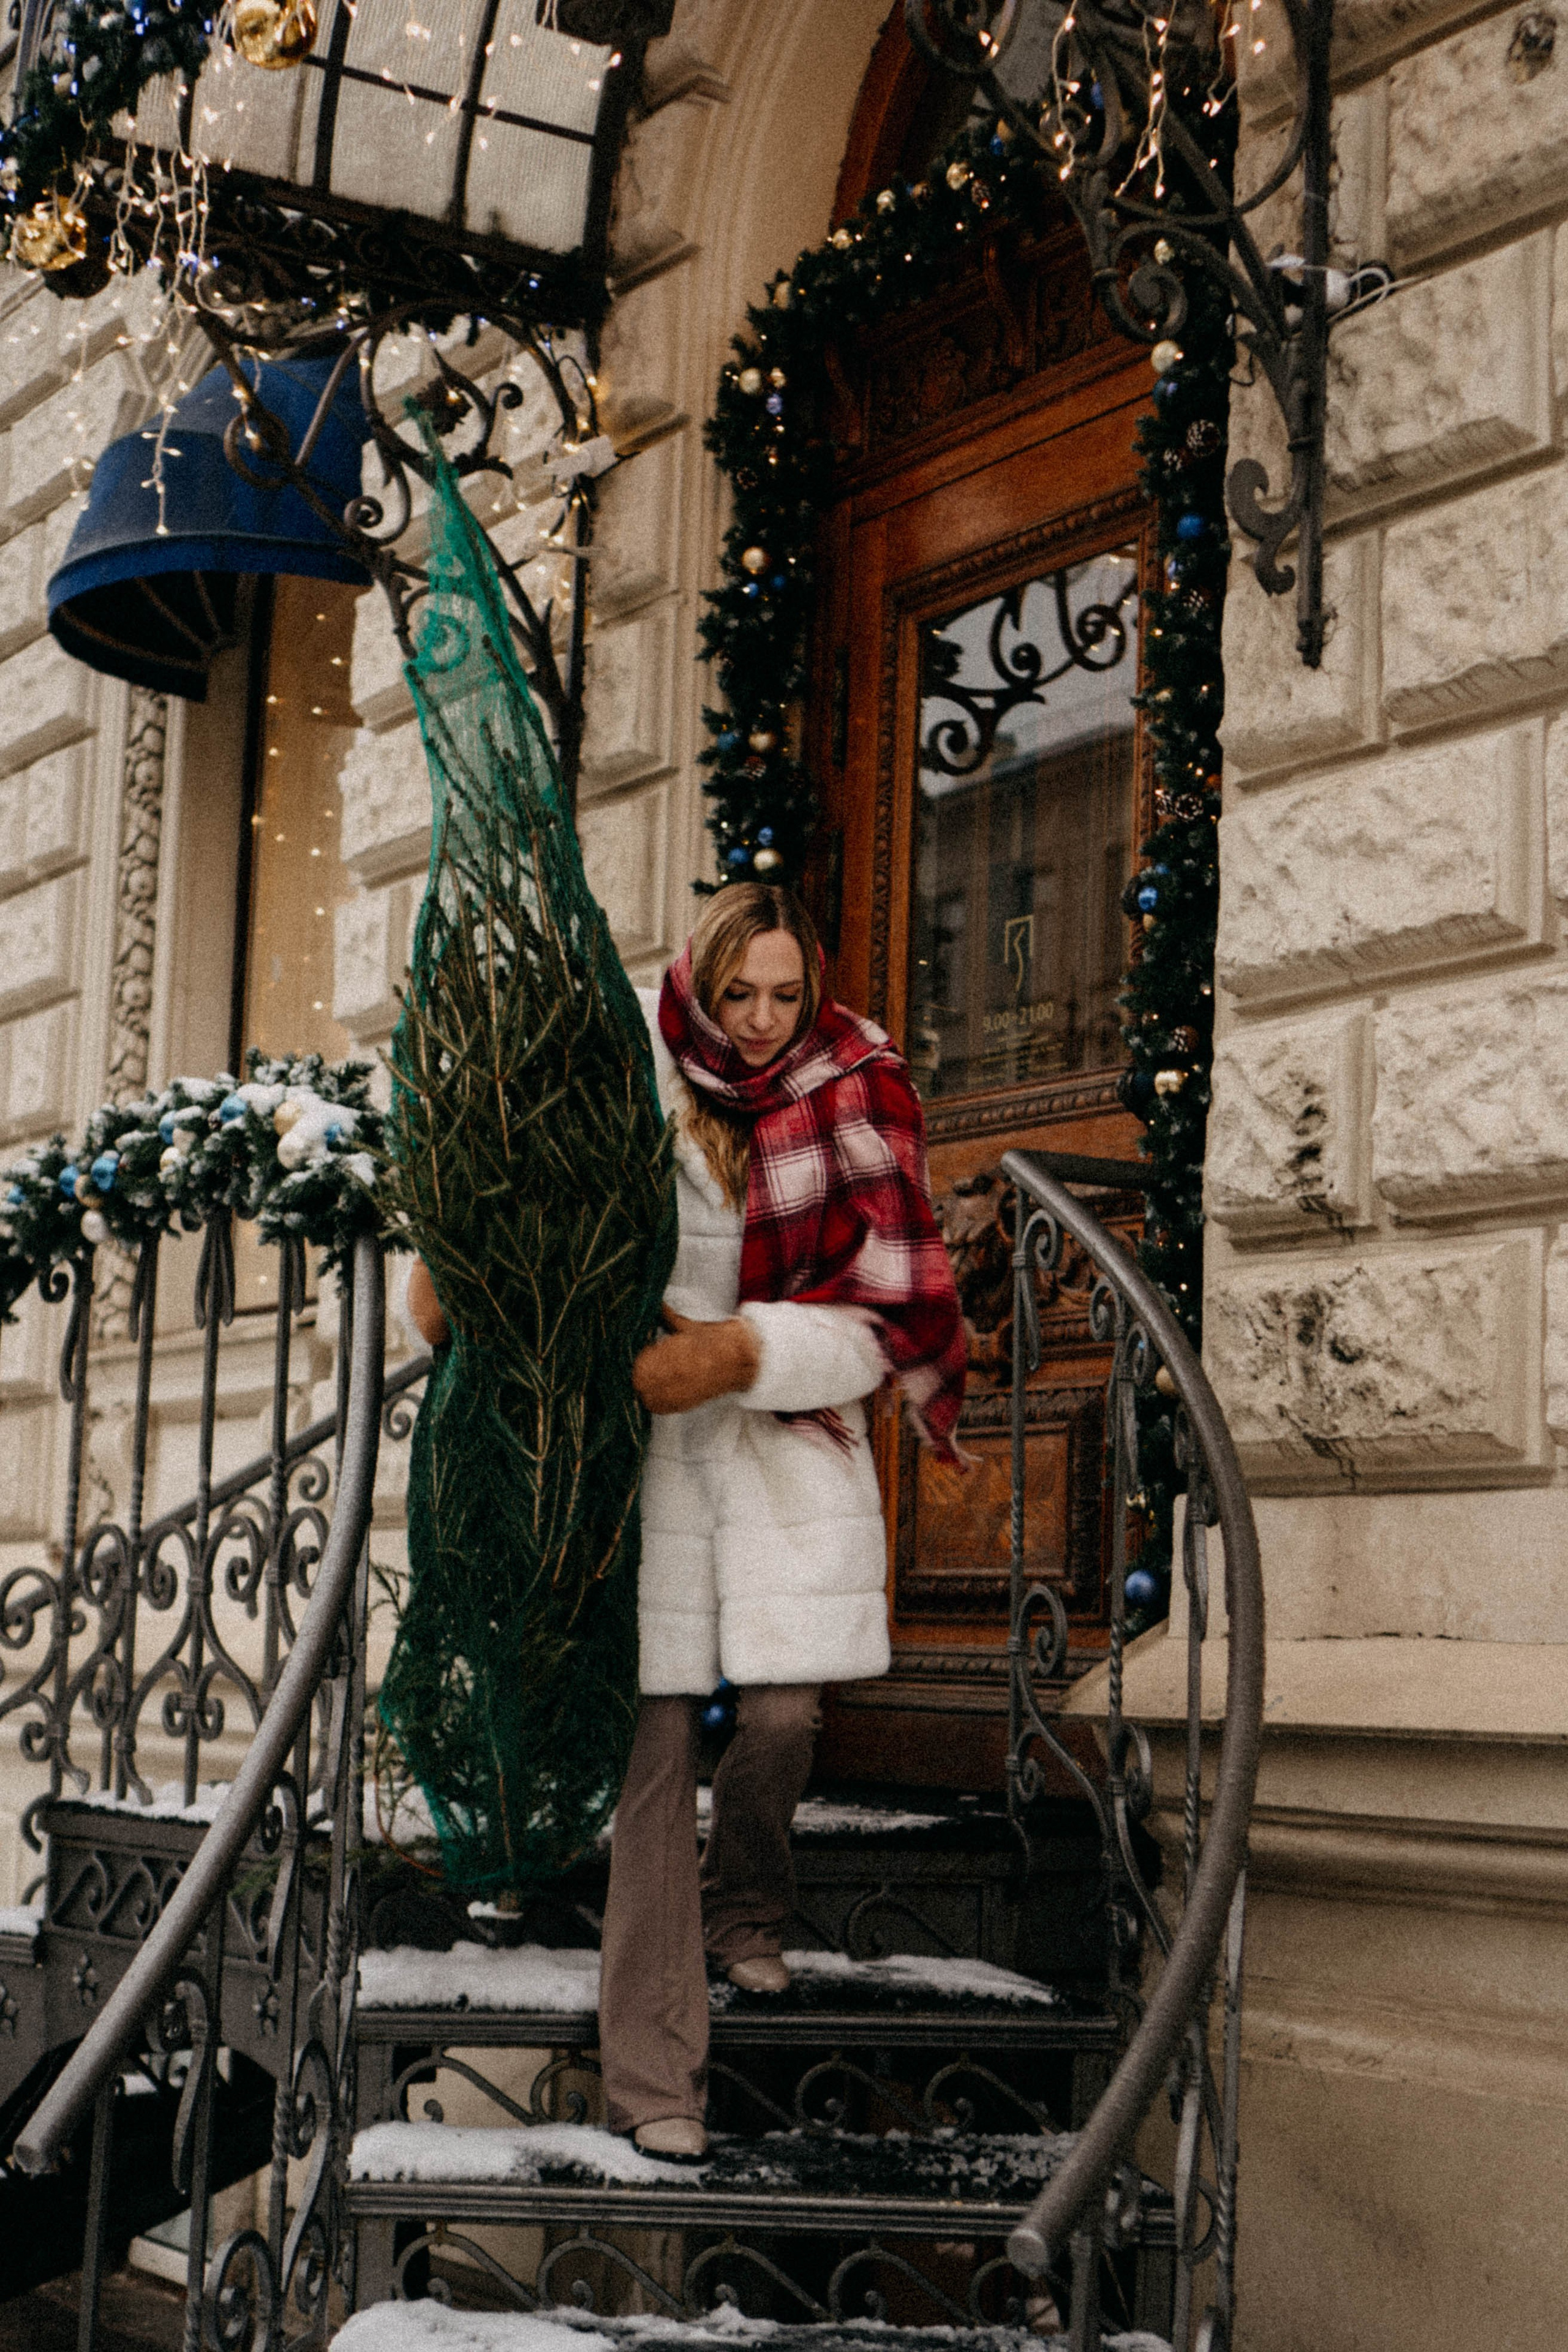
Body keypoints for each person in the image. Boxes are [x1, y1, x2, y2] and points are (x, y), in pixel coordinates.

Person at [597, 882, 965, 2160]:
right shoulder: (635, 1087)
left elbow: (884, 1318)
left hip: (782, 1431)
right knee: (653, 1748)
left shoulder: (856, 1087)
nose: (760, 1023)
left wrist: (753, 1351)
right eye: (735, 995)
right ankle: (651, 2079)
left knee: (781, 1712)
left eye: (783, 996)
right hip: (647, 1440)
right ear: (698, 985)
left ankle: (746, 1907)